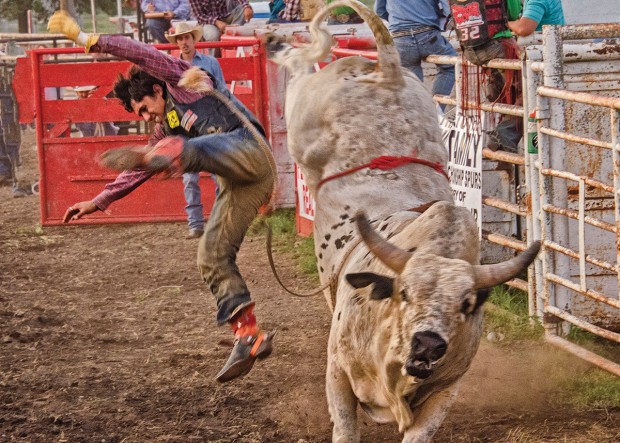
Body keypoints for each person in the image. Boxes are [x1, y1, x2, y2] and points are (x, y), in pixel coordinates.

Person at [48, 9, 276, 383]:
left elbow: (141, 53)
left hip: (249, 150)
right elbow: (135, 170)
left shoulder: (177, 82)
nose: (147, 117)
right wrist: (100, 199)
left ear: (156, 91)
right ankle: (249, 336)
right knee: (210, 255)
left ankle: (175, 154)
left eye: (144, 109)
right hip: (243, 184)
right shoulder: (165, 128)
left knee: (188, 146)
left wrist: (91, 40)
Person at [165, 22, 226, 239]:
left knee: (217, 174)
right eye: (180, 39)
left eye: (187, 38)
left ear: (194, 40)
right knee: (190, 177)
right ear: (177, 42)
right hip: (187, 126)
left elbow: (223, 91)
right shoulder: (173, 65)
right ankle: (196, 224)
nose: (184, 42)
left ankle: (218, 221)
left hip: (208, 123)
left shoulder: (210, 63)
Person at [375, 0, 457, 104]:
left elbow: (379, 10)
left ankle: (422, 112)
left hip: (400, 38)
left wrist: (399, 20)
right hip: (429, 35)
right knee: (450, 66)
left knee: (413, 81)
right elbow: (448, 10)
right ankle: (437, 110)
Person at [189, 0, 254, 45]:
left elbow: (243, 2)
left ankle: (233, 36)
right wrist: (216, 22)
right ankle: (215, 60)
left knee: (242, 9)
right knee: (213, 36)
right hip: (207, 22)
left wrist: (246, 6)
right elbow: (199, 16)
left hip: (225, 16)